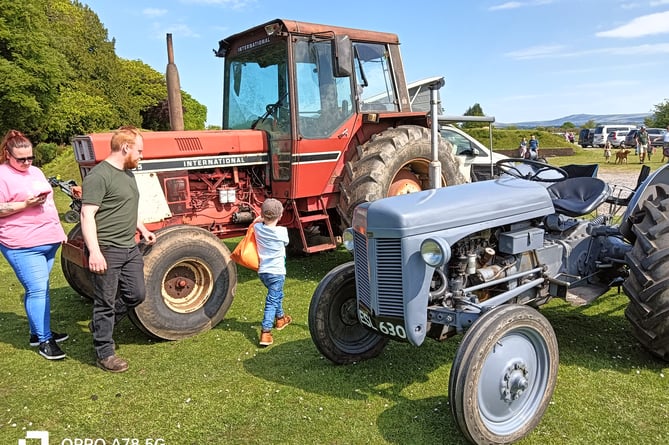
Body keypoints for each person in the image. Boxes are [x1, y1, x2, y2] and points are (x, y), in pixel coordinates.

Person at [80, 126, 156, 372]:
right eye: (140, 151)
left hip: (129, 247)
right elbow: (87, 214)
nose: (142, 156)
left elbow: (124, 206)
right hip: (107, 248)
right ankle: (105, 352)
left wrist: (142, 228)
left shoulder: (127, 173)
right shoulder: (99, 176)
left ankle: (102, 324)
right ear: (126, 148)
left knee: (137, 294)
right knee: (105, 301)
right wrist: (95, 251)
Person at [0, 130, 68, 360]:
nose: (27, 162)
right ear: (8, 155)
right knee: (38, 290)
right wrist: (24, 205)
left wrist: (59, 231)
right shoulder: (2, 175)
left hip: (47, 239)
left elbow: (48, 203)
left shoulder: (36, 171)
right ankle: (45, 340)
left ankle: (36, 332)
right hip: (22, 244)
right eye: (21, 159)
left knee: (41, 289)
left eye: (30, 157)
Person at [254, 198, 290, 346]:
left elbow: (255, 221)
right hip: (277, 272)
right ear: (280, 216)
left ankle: (281, 318)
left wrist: (261, 217)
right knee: (272, 300)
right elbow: (285, 243)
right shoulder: (282, 232)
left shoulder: (257, 228)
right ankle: (266, 332)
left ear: (262, 214)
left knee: (276, 295)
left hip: (263, 272)